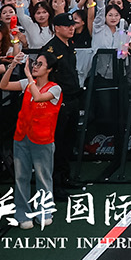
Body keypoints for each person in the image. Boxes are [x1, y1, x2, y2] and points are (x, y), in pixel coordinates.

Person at [0, 51, 61, 229]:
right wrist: (12, 66)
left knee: (43, 177)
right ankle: (22, 213)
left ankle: (45, 211)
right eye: (35, 63)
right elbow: (3, 85)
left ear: (49, 69)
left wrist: (28, 76)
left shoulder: (55, 88)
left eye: (40, 64)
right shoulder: (27, 83)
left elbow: (39, 97)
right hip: (21, 136)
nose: (35, 66)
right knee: (21, 177)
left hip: (43, 139)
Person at [40, 12, 83, 199]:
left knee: (68, 141)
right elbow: (45, 76)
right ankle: (55, 185)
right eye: (67, 26)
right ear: (57, 28)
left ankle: (65, 177)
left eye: (72, 25)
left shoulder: (69, 45)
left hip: (72, 97)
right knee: (57, 143)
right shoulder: (49, 50)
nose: (71, 28)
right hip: (58, 100)